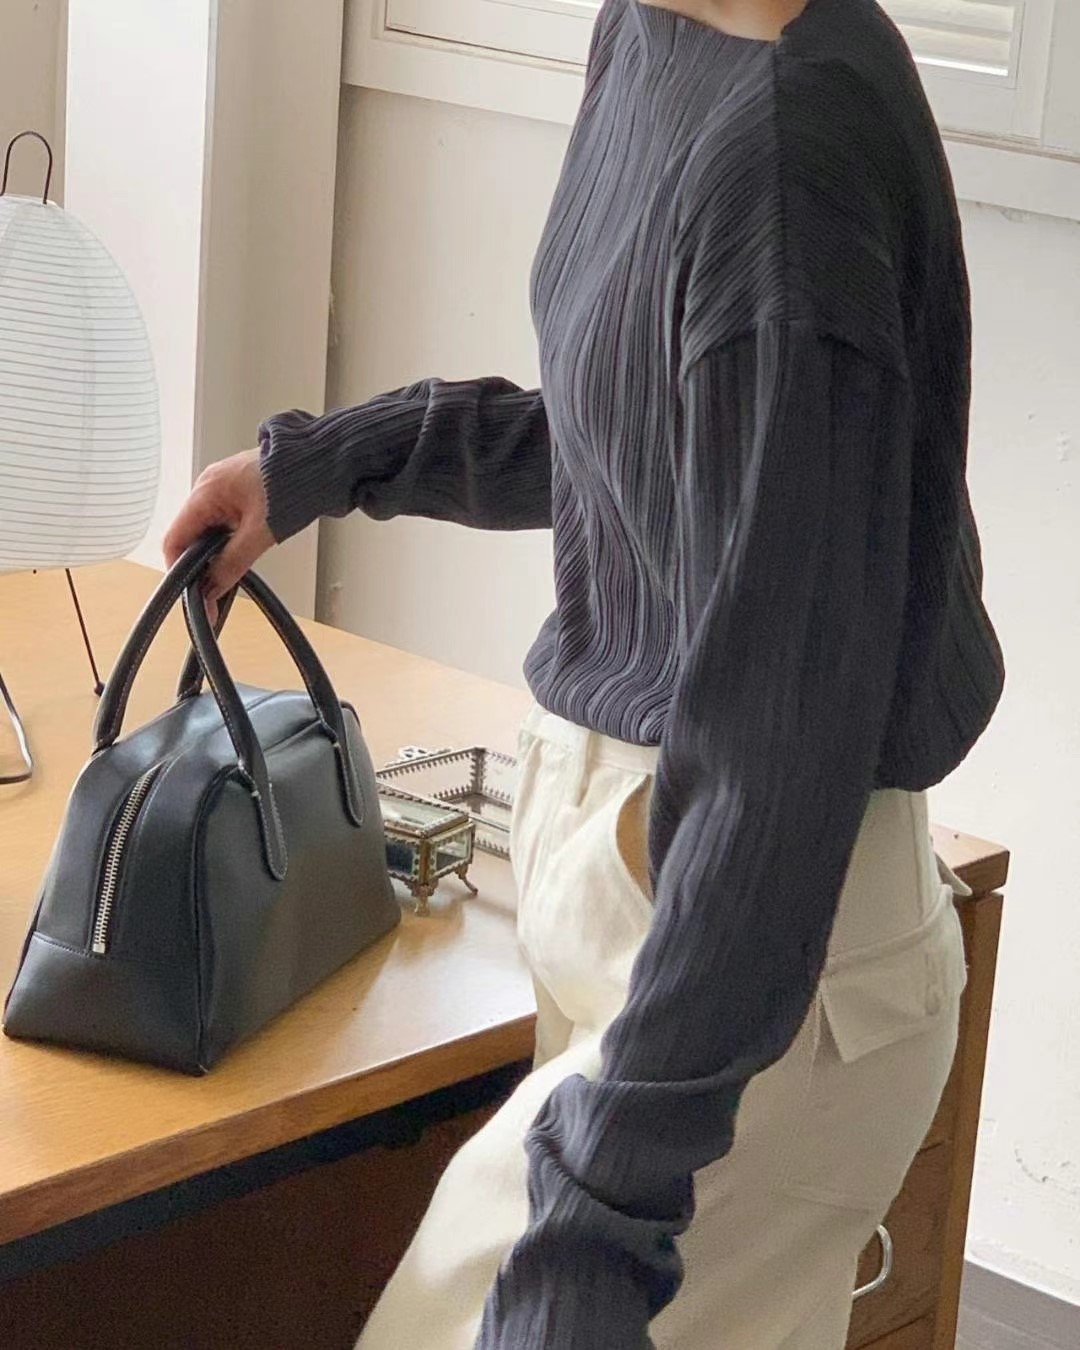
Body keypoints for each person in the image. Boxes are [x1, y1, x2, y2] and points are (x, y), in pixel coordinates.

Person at [164, 0, 1006, 1344]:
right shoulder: (658, 33)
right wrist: (329, 465)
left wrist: (594, 1231)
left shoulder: (792, 164)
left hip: (754, 969)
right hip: (671, 915)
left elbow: (775, 770)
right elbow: (644, 441)